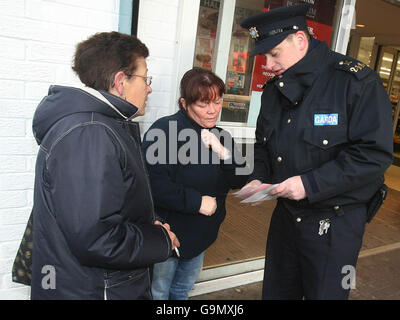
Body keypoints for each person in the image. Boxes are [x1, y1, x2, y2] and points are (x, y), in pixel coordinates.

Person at [238, 4, 393, 299]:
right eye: (264, 56)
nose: (268, 65)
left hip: (335, 225)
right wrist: (258, 177)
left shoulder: (355, 83)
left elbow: (373, 155)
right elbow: (262, 145)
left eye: (274, 54)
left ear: (300, 41)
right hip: (286, 220)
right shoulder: (274, 90)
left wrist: (309, 184)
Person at [30, 31, 179, 300]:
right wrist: (160, 240)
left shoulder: (98, 127)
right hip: (95, 290)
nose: (149, 88)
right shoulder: (89, 133)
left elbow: (105, 209)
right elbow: (96, 239)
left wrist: (149, 225)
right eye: (146, 78)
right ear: (121, 81)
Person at [142, 67, 249, 300]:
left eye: (218, 102)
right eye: (203, 104)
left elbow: (240, 179)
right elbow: (152, 183)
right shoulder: (165, 131)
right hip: (169, 233)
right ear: (184, 103)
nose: (213, 111)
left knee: (182, 290)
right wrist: (196, 202)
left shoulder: (220, 135)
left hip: (202, 234)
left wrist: (223, 152)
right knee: (158, 292)